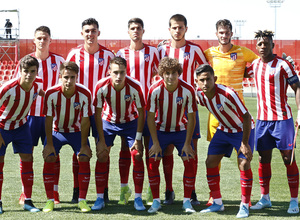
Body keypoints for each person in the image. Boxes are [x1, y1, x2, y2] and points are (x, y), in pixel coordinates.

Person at [203, 19, 258, 206]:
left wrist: (248, 72)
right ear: (216, 34)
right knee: (213, 156)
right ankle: (214, 196)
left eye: (227, 32)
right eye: (221, 32)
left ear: (231, 33)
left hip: (238, 114)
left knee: (242, 157)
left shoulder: (243, 52)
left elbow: (259, 64)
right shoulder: (208, 54)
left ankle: (246, 199)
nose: (224, 36)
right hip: (216, 115)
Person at [247, 30, 300, 214]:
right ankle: (265, 198)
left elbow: (297, 87)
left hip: (282, 120)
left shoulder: (283, 65)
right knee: (263, 158)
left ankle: (294, 200)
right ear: (256, 46)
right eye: (260, 44)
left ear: (272, 45)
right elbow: (239, 72)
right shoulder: (254, 65)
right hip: (262, 121)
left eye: (266, 43)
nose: (263, 47)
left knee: (288, 158)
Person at [157, 13, 207, 205]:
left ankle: (191, 191)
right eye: (174, 27)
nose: (177, 30)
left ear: (186, 28)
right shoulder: (161, 49)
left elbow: (204, 72)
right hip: (165, 107)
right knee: (167, 149)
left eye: (180, 27)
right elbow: (157, 73)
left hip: (188, 107)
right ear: (169, 29)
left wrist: (199, 95)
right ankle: (169, 191)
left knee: (191, 149)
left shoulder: (194, 49)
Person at [14, 26, 65, 205]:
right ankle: (24, 193)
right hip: (29, 117)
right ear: (34, 40)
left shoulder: (59, 61)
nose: (42, 41)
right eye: (39, 38)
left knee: (53, 154)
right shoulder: (24, 62)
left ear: (50, 40)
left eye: (45, 38)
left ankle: (54, 193)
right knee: (26, 154)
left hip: (51, 117)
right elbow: (16, 88)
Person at [195, 64, 255, 218]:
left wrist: (245, 143)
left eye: (208, 79)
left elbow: (246, 116)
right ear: (197, 82)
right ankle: (217, 203)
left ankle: (244, 205)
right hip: (224, 130)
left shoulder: (228, 93)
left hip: (242, 129)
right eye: (201, 80)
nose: (205, 83)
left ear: (214, 79)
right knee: (210, 162)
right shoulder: (200, 95)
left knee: (243, 163)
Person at [66, 17, 115, 203]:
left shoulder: (109, 56)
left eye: (93, 30)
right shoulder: (73, 55)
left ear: (98, 33)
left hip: (101, 111)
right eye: (87, 31)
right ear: (82, 33)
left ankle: (104, 190)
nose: (90, 34)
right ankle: (77, 189)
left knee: (103, 150)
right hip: (78, 111)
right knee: (78, 151)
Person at [92, 57, 146, 211]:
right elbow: (96, 113)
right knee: (102, 154)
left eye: (122, 72)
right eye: (115, 72)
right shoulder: (101, 86)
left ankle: (137, 198)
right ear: (109, 72)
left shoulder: (135, 86)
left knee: (136, 154)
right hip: (108, 122)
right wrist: (100, 140)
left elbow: (142, 112)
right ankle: (100, 198)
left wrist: (138, 138)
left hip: (130, 122)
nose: (118, 76)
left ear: (126, 72)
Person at [116, 17, 160, 205]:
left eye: (139, 28)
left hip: (148, 107)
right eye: (132, 28)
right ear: (128, 32)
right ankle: (124, 190)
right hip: (127, 110)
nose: (136, 31)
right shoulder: (121, 53)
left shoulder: (153, 51)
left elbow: (160, 74)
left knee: (149, 148)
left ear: (143, 31)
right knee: (127, 149)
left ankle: (151, 189)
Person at [147, 57, 197, 213]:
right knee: (152, 160)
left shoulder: (188, 90)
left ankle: (187, 201)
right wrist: (155, 142)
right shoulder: (155, 89)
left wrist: (188, 143)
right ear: (162, 74)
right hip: (160, 130)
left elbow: (191, 118)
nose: (170, 76)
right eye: (167, 73)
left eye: (174, 73)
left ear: (179, 73)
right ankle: (156, 201)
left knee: (190, 160)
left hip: (180, 130)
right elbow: (150, 117)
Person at [42, 61, 93, 213]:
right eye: (66, 77)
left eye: (72, 77)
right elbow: (48, 119)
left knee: (84, 157)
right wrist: (49, 144)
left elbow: (85, 121)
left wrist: (84, 145)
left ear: (77, 77)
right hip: (56, 131)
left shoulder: (85, 93)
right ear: (60, 76)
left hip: (77, 131)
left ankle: (82, 200)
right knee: (49, 156)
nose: (69, 81)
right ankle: (50, 200)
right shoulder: (51, 93)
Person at [0, 55, 43, 214]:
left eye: (32, 71)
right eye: (26, 71)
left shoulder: (37, 84)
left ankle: (27, 200)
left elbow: (41, 92)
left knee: (28, 159)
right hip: (2, 127)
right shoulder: (7, 88)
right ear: (20, 71)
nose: (29, 75)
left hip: (22, 126)